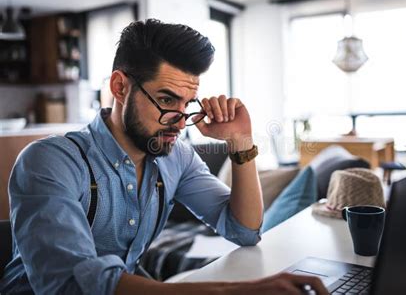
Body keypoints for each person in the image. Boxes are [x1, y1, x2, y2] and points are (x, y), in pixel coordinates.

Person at [0, 19, 328, 295]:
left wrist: (240, 142)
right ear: (119, 87)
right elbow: (71, 283)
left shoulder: (176, 158)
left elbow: (243, 230)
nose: (181, 120)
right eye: (167, 100)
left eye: (188, 104)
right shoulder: (49, 161)